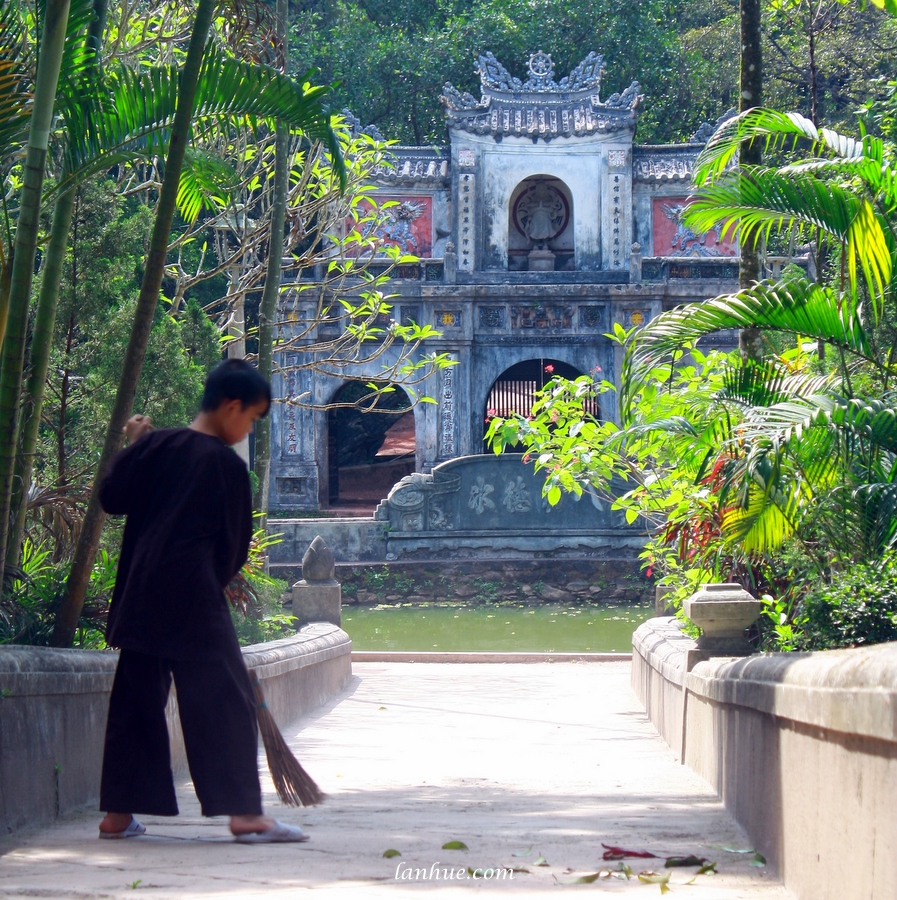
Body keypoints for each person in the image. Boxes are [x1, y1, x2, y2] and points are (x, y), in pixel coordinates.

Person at [97, 358, 307, 843]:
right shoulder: (225, 467)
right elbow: (234, 546)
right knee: (227, 701)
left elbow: (112, 496)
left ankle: (117, 816)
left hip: (139, 595)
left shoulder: (156, 446)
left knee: (135, 703)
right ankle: (246, 816)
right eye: (251, 418)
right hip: (192, 599)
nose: (247, 428)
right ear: (232, 407)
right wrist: (207, 586)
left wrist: (135, 445)